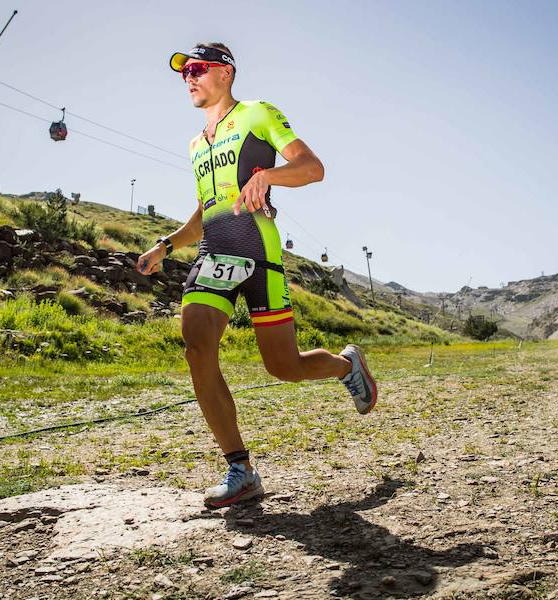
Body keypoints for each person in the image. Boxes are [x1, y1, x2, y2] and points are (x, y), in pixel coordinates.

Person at [136, 43, 377, 508]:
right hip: (213, 253)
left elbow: (312, 168)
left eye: (197, 69)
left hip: (258, 252)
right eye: (183, 72)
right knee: (196, 347)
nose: (188, 77)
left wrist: (269, 176)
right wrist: (166, 246)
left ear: (225, 73)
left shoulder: (257, 113)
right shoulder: (195, 144)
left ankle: (348, 365)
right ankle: (240, 469)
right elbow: (207, 209)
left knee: (283, 367)